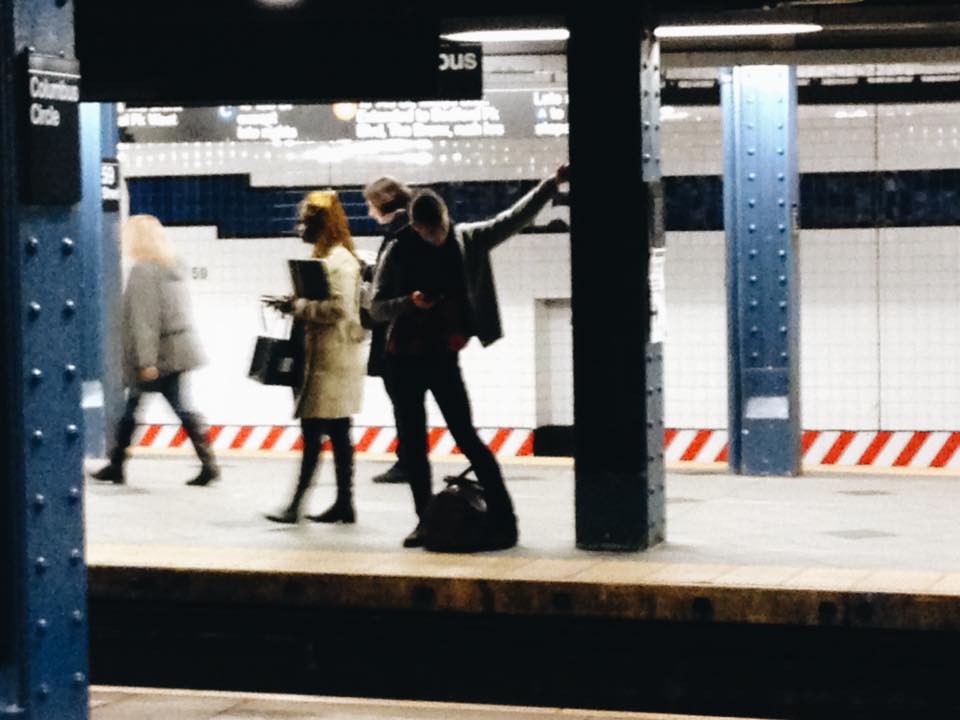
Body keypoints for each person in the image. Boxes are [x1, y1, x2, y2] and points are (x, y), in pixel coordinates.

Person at [371, 164, 570, 549]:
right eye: (430, 232)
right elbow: (376, 308)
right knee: (413, 445)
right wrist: (408, 303)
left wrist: (550, 185)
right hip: (403, 359)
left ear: (447, 219)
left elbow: (512, 220)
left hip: (443, 356)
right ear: (415, 226)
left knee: (466, 435)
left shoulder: (468, 240)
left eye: (441, 229)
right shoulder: (397, 251)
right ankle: (424, 522)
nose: (437, 237)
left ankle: (505, 516)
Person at [90, 215, 219, 486]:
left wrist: (146, 361)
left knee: (157, 408)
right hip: (177, 351)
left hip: (159, 358)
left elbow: (145, 321)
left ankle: (117, 465)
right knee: (152, 407)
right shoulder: (171, 267)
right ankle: (207, 463)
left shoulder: (144, 270)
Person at [266, 191, 366, 525]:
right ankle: (345, 504)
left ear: (321, 224)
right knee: (338, 432)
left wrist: (298, 307)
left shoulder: (338, 262)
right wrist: (294, 302)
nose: (298, 228)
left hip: (330, 361)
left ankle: (295, 505)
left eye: (304, 222)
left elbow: (337, 309)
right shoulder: (333, 257)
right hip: (331, 359)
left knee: (313, 433)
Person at [361, 176, 418, 485]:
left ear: (382, 204)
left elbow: (393, 279)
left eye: (370, 205)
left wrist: (367, 271)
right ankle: (408, 459)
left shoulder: (398, 232)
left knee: (402, 401)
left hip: (396, 331)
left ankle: (407, 462)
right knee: (405, 402)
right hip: (403, 328)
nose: (369, 212)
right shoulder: (406, 229)